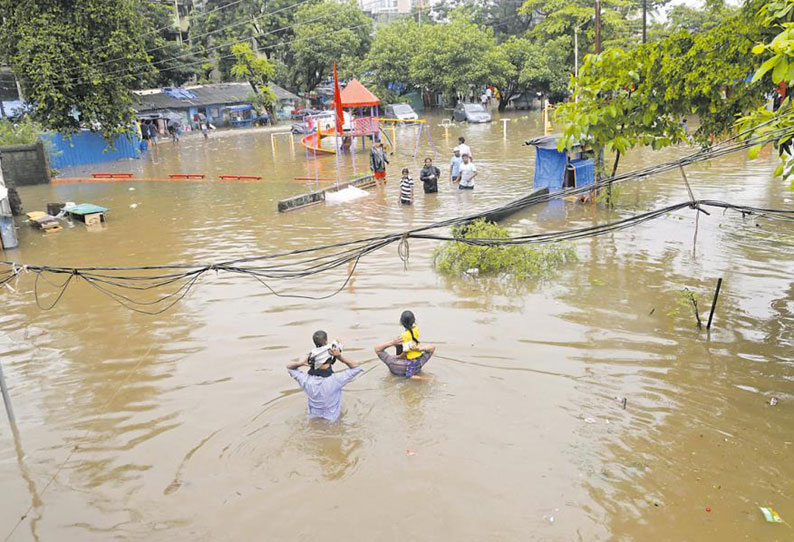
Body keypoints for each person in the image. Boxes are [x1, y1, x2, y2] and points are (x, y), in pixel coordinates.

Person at [286, 330, 363, 422]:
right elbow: (357, 367)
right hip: (332, 422)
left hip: (313, 419)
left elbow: (290, 368)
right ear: (331, 361)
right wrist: (340, 357)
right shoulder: (337, 380)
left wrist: (301, 363)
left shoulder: (306, 380)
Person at [374, 310, 436, 379]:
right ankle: (426, 379)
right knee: (411, 376)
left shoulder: (391, 362)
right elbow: (432, 347)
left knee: (391, 374)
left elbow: (377, 349)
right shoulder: (419, 361)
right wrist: (419, 348)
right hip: (414, 366)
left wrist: (392, 343)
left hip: (396, 371)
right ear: (414, 321)